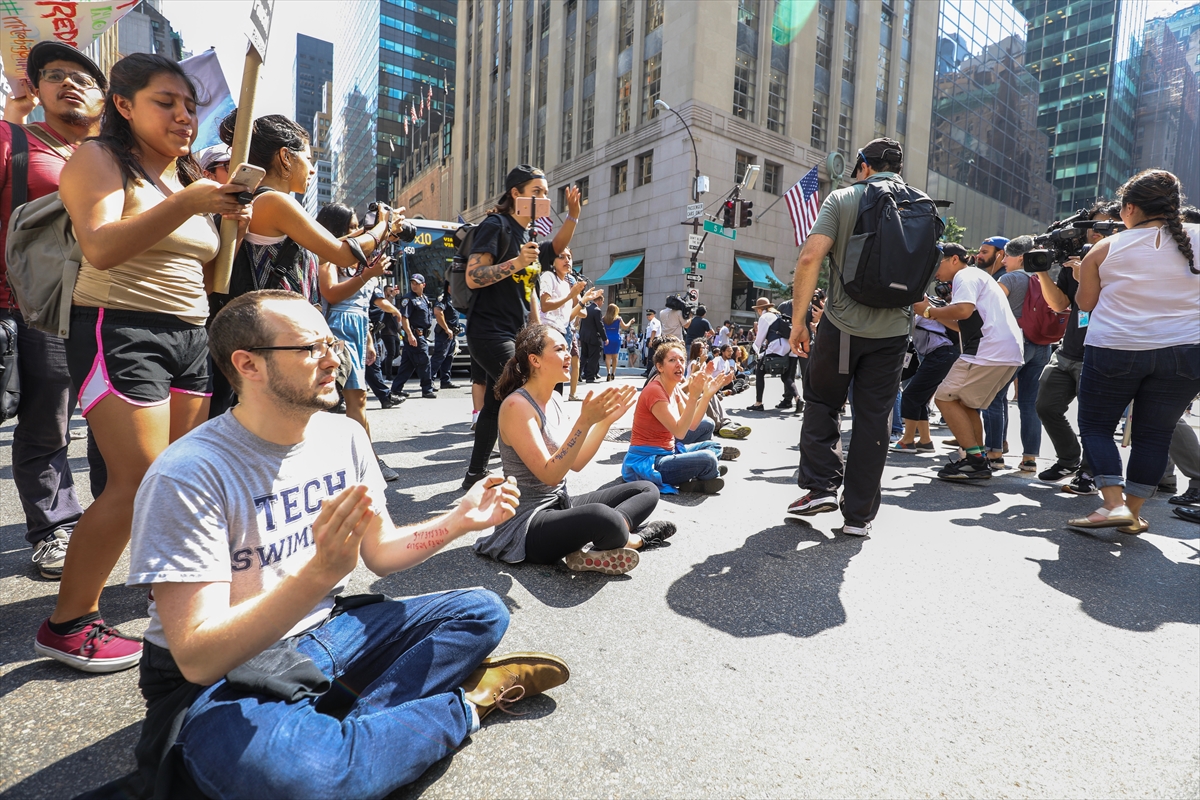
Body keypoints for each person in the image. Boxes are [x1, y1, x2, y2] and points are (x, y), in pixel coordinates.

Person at [105, 290, 568, 798]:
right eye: (311, 347)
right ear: (248, 365)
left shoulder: (344, 435)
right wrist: (318, 575)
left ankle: (330, 730)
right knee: (302, 780)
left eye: (333, 341)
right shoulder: (188, 473)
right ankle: (463, 706)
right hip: (229, 672)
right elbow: (195, 655)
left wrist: (459, 521)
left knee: (482, 611)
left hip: (328, 632)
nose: (336, 356)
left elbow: (382, 551)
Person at [34, 53, 254, 672]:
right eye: (166, 102)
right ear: (124, 106)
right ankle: (68, 621)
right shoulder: (97, 160)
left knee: (178, 479)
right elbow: (100, 247)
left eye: (189, 105)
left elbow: (207, 273)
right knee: (138, 484)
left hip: (189, 335)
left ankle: (180, 597)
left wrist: (225, 219)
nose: (184, 116)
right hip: (119, 327)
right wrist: (191, 207)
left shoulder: (183, 181)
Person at [207, 112, 409, 417]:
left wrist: (367, 235)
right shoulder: (273, 201)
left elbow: (326, 252)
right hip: (272, 338)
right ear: (286, 157)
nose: (312, 169)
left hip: (275, 337)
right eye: (308, 157)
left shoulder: (268, 202)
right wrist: (384, 226)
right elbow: (343, 254)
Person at [0, 41, 109, 580]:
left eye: (83, 78)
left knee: (114, 424)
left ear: (107, 101)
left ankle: (116, 517)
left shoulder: (112, 158)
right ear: (36, 89)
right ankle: (54, 529)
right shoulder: (12, 140)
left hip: (105, 309)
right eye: (55, 75)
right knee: (47, 426)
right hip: (31, 308)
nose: (69, 83)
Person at [786, 138, 919, 536]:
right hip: (894, 332)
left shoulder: (843, 199)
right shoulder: (922, 205)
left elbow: (810, 257)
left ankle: (821, 487)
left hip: (843, 325)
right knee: (874, 418)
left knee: (823, 401)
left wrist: (798, 322)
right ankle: (859, 517)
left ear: (863, 165)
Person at [475, 323, 676, 574]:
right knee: (601, 517)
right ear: (535, 360)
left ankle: (607, 541)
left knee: (646, 489)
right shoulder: (517, 406)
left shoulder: (555, 398)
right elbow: (550, 474)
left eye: (568, 347)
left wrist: (604, 421)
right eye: (559, 349)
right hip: (528, 524)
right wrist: (584, 421)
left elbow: (576, 462)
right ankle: (634, 539)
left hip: (560, 504)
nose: (569, 355)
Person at [1068, 169, 1200, 534]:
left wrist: (1083, 278)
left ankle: (1113, 505)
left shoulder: (1106, 247)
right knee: (1154, 434)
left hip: (1116, 348)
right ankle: (1133, 512)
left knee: (1095, 426)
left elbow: (1086, 304)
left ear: (1129, 208)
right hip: (1186, 351)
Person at [463, 164, 580, 490]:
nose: (543, 199)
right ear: (516, 194)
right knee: (525, 390)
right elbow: (474, 277)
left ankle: (474, 474)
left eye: (545, 193)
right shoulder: (495, 226)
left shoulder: (528, 236)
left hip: (515, 335)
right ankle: (541, 476)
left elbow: (536, 279)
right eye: (537, 193)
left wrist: (572, 216)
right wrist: (516, 262)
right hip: (487, 331)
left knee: (495, 402)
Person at [1033, 201, 1121, 493]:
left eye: (1103, 226)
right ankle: (1069, 459)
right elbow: (1060, 305)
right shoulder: (1077, 260)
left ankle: (1088, 472)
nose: (1094, 233)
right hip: (1068, 350)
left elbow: (1108, 305)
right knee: (1045, 405)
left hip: (1099, 352)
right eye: (1091, 226)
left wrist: (1088, 275)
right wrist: (1042, 271)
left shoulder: (1122, 263)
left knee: (1092, 420)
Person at [916, 243, 1023, 481]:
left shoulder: (965, 275)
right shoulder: (977, 277)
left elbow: (963, 310)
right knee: (963, 403)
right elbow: (962, 325)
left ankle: (973, 460)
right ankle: (978, 458)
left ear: (955, 259)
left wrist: (928, 312)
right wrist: (932, 310)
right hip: (1005, 351)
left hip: (988, 350)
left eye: (938, 264)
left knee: (945, 397)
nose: (935, 272)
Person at [314, 202, 399, 482]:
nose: (356, 232)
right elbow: (332, 294)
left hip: (359, 329)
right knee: (344, 400)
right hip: (337, 328)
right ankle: (365, 462)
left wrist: (370, 342)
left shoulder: (356, 258)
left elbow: (362, 306)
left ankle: (365, 460)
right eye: (351, 227)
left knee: (357, 399)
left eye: (357, 226)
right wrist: (367, 275)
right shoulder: (328, 254)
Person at [982, 235, 1054, 472]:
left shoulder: (1009, 278)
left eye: (1008, 256)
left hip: (1013, 344)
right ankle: (1030, 459)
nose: (1004, 261)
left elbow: (990, 307)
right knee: (1029, 403)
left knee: (994, 396)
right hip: (1042, 345)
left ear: (1021, 258)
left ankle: (994, 453)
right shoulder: (1045, 278)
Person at [623, 340, 732, 494]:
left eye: (681, 360)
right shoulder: (655, 391)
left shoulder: (673, 387)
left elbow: (693, 424)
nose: (679, 364)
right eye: (672, 360)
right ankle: (705, 474)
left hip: (669, 451)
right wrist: (694, 396)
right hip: (651, 462)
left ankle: (700, 476)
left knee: (714, 447)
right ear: (660, 367)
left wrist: (707, 395)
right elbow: (680, 433)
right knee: (708, 458)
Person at [892, 291, 959, 452]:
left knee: (910, 395)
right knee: (919, 397)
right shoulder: (925, 314)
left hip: (940, 355)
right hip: (941, 356)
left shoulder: (924, 315)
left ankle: (908, 440)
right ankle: (925, 440)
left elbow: (905, 329)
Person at [747, 297, 799, 411]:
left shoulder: (765, 317)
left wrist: (754, 349)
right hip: (790, 346)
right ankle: (797, 398)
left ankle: (758, 403)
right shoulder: (778, 315)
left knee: (760, 371)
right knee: (786, 376)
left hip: (777, 345)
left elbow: (759, 340)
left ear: (760, 309)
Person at [390, 273, 436, 399]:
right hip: (415, 336)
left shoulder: (424, 298)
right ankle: (427, 389)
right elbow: (405, 318)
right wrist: (410, 335)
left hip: (420, 335)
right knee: (424, 362)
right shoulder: (409, 298)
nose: (414, 286)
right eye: (412, 283)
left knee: (407, 364)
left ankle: (396, 389)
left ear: (423, 285)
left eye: (417, 283)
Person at [431, 280, 462, 390]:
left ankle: (445, 381)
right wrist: (447, 329)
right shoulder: (443, 298)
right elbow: (438, 312)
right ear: (448, 286)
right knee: (439, 357)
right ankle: (429, 381)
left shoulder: (454, 298)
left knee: (449, 357)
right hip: (444, 333)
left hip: (452, 333)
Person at [602, 303, 634, 381]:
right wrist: (630, 321)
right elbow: (625, 326)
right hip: (616, 338)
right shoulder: (618, 319)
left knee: (608, 357)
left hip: (607, 338)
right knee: (615, 357)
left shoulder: (604, 318)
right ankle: (613, 373)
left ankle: (608, 372)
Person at [578, 295, 605, 383]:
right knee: (594, 357)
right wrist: (605, 338)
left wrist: (580, 335)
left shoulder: (586, 308)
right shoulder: (597, 310)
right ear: (599, 300)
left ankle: (577, 374)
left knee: (584, 356)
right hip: (593, 337)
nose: (602, 303)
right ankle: (590, 377)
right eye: (602, 301)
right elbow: (600, 325)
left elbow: (582, 323)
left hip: (584, 336)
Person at [642, 308, 662, 376]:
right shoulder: (650, 322)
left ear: (654, 315)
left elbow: (654, 331)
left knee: (652, 356)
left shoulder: (654, 321)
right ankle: (649, 371)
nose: (648, 316)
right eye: (647, 315)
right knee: (650, 356)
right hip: (652, 339)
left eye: (650, 315)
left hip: (654, 339)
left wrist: (651, 340)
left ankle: (650, 372)